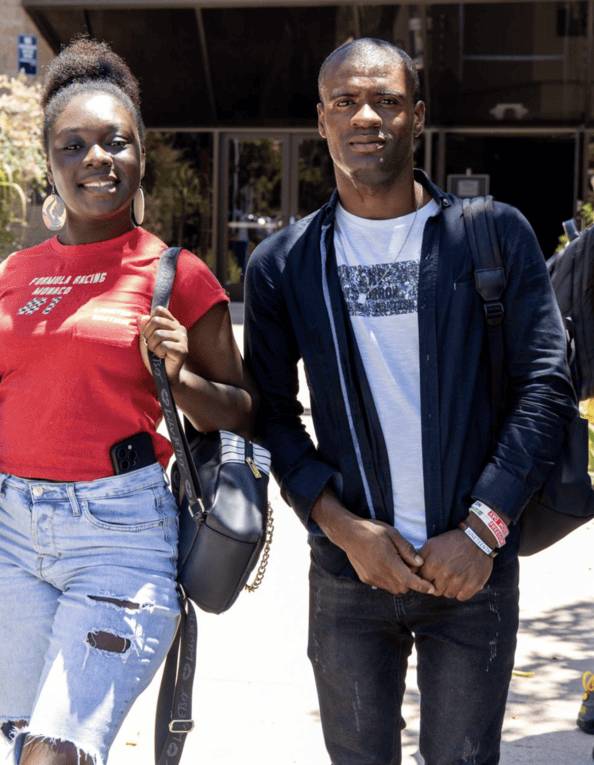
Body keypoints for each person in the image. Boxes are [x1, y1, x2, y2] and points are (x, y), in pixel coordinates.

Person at [244, 38, 576, 765]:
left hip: (473, 571)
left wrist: (484, 528)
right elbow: (270, 414)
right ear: (323, 121)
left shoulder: (490, 235)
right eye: (346, 102)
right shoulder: (286, 263)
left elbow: (546, 383)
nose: (366, 116)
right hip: (350, 577)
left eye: (387, 101)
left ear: (416, 115)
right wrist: (343, 530)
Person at [0, 38, 253, 765]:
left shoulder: (174, 275)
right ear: (50, 160)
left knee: (56, 752)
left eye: (115, 142)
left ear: (140, 154)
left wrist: (178, 375)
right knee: (31, 745)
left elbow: (244, 411)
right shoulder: (14, 273)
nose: (98, 158)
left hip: (117, 535)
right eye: (76, 144)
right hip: (8, 537)